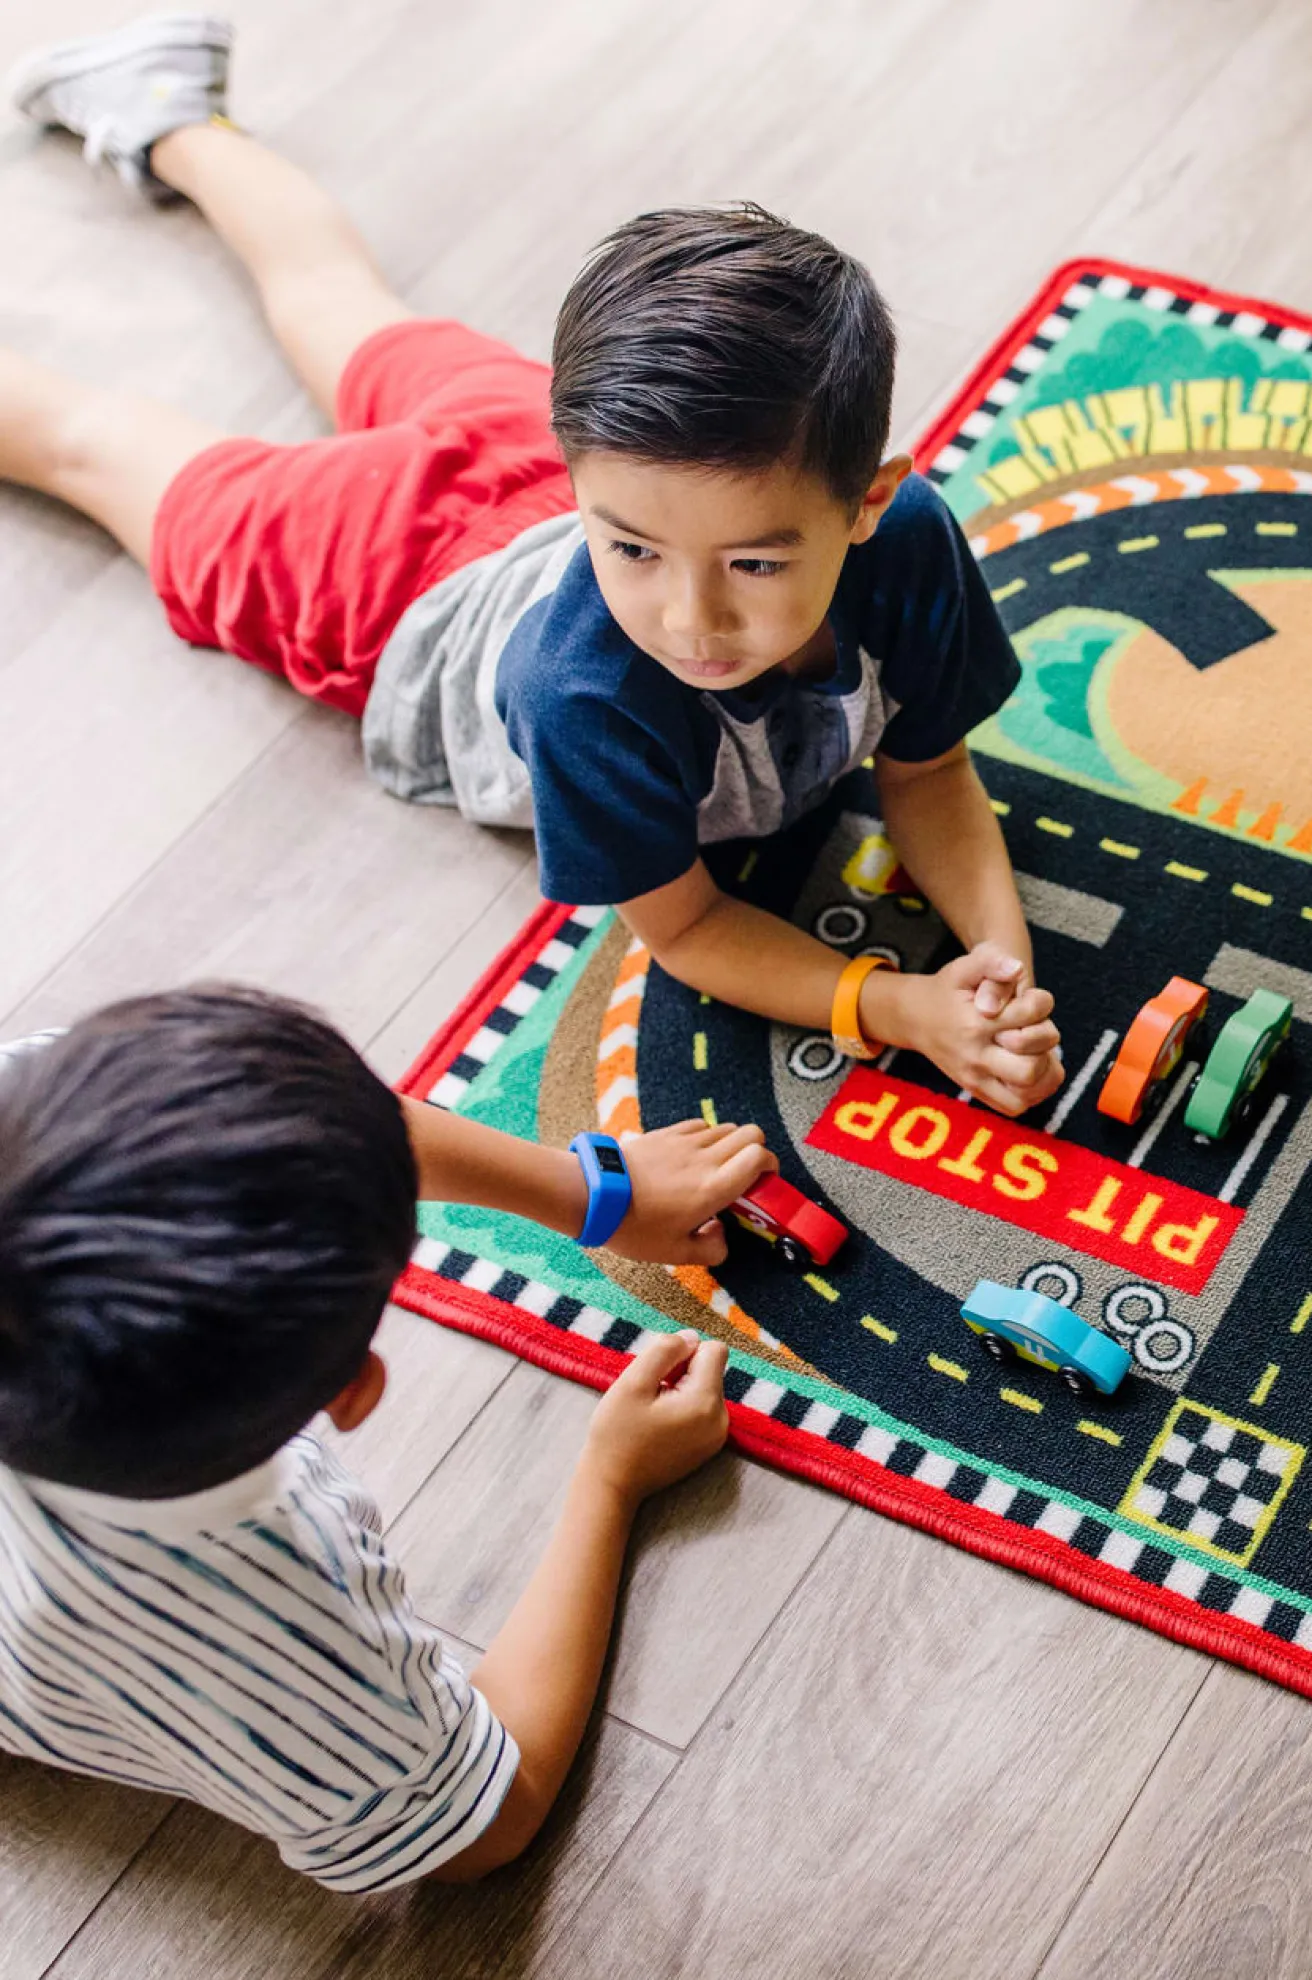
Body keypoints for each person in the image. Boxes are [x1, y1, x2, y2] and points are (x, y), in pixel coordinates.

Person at [3, 14, 1064, 1118]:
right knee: (94, 443)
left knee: (344, 308)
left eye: (752, 564)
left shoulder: (900, 540)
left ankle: (163, 110)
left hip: (540, 469)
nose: (689, 620)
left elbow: (931, 774)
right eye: (635, 556)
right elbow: (689, 927)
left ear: (869, 504)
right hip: (398, 579)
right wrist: (902, 1008)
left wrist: (1000, 972)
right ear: (586, 469)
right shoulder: (582, 693)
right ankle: (170, 121)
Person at [0, 985, 772, 1886]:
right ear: (356, 1390)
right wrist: (609, 1481)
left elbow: (303, 1127)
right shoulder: (250, 1601)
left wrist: (593, 1190)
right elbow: (486, 1822)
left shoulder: (41, 1130)